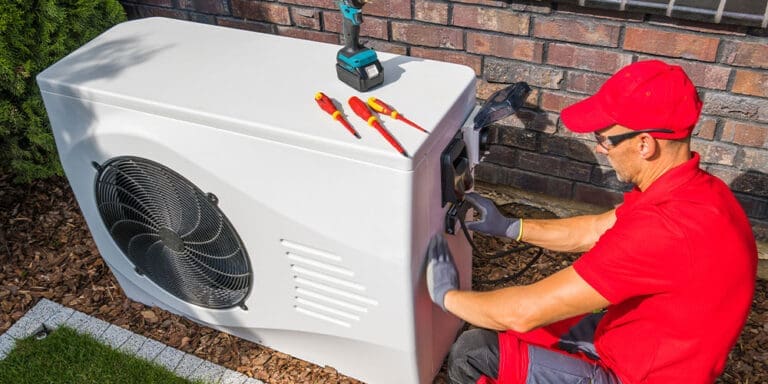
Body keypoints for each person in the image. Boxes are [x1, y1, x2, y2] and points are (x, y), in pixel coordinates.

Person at [426, 60, 757, 384]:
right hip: (642, 345)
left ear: (645, 144)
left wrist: (445, 296)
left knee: (474, 353)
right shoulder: (699, 192)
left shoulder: (664, 229)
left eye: (605, 139)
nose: (601, 150)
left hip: (635, 375)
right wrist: (511, 226)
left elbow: (523, 311)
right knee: (523, 330)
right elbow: (596, 229)